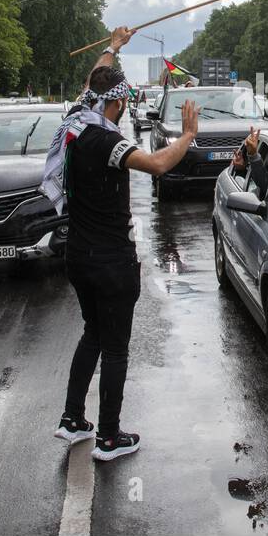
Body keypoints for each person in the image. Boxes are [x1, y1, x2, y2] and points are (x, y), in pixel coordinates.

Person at [43, 26, 198, 462]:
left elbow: (95, 77)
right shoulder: (107, 140)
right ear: (114, 103)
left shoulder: (75, 121)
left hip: (78, 256)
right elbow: (155, 165)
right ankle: (109, 437)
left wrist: (113, 48)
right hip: (111, 262)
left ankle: (73, 420)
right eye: (123, 102)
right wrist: (186, 137)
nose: (125, 108)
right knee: (115, 347)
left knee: (92, 333)